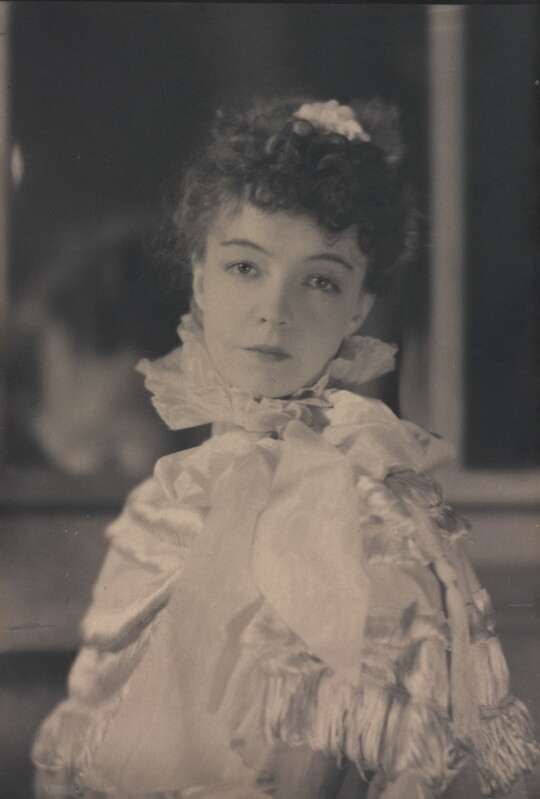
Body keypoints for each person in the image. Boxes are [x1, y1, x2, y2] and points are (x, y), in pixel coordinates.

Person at [32, 97, 539, 799]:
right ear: (201, 279)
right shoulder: (165, 499)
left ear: (357, 309)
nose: (277, 308)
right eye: (246, 268)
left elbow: (398, 767)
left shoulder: (376, 523)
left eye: (321, 280)